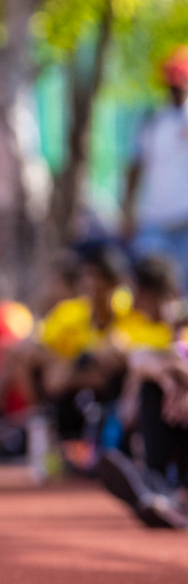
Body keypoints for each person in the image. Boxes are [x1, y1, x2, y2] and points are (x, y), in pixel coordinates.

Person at [97, 255, 188, 529]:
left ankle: (169, 494)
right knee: (151, 384)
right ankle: (159, 485)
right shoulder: (137, 328)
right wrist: (170, 378)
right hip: (163, 417)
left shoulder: (177, 329)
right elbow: (139, 359)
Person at [122, 47, 188, 288]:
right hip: (155, 218)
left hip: (185, 218)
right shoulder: (153, 120)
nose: (175, 89)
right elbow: (135, 166)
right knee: (150, 281)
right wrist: (127, 211)